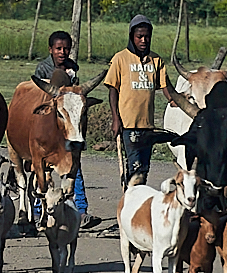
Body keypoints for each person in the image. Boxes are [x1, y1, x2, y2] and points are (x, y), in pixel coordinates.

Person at [33, 31, 102, 230]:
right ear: (50, 50)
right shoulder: (43, 69)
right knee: (43, 168)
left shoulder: (73, 68)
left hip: (69, 126)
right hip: (49, 126)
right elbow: (41, 96)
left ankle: (81, 211)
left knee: (74, 166)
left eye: (66, 49)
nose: (62, 52)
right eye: (58, 49)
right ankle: (39, 210)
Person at [104, 15, 175, 188]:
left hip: (147, 125)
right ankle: (131, 201)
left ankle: (137, 202)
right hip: (128, 124)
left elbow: (166, 86)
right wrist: (116, 119)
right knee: (134, 168)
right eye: (139, 37)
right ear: (132, 37)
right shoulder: (120, 58)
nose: (143, 40)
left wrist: (175, 100)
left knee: (144, 169)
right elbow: (113, 89)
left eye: (147, 36)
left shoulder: (156, 60)